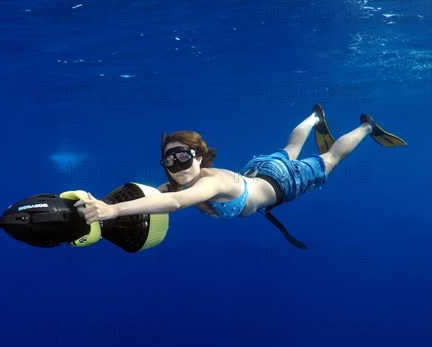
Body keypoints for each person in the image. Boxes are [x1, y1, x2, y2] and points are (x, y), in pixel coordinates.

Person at [74, 104, 407, 248]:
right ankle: (313, 118)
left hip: (280, 182)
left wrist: (113, 212)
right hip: (256, 172)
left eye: (183, 156)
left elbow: (175, 203)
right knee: (288, 151)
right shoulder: (176, 183)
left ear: (199, 156)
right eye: (169, 160)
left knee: (329, 159)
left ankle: (366, 126)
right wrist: (100, 204)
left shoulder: (208, 184)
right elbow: (148, 197)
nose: (177, 165)